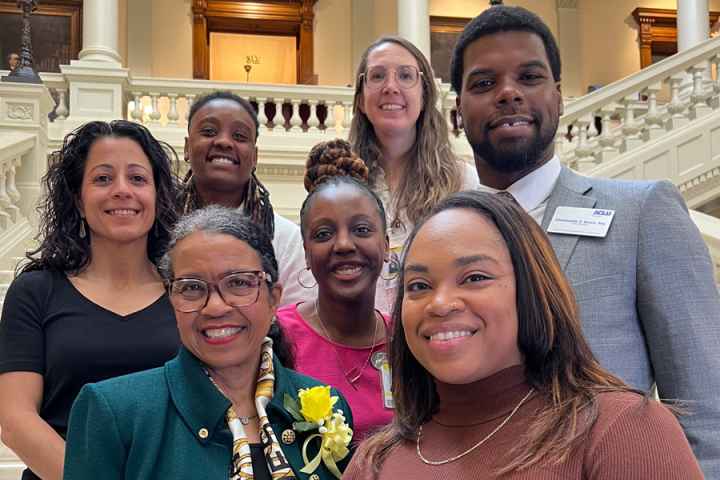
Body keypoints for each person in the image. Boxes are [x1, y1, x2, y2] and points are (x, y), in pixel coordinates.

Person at [450, 6, 720, 475]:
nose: (508, 93)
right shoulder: (444, 237)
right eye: (483, 83)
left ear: (559, 95)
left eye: (529, 77)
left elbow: (706, 409)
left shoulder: (641, 213)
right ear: (458, 110)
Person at [344, 190, 704, 479]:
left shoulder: (622, 431)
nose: (439, 303)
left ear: (530, 290)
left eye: (474, 278)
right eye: (419, 285)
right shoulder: (376, 462)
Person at [63, 206, 354, 479]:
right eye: (191, 288)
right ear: (172, 302)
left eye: (238, 283)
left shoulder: (326, 404)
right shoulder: (115, 412)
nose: (215, 307)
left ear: (274, 299)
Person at [0, 120, 181, 480]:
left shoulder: (188, 293)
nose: (122, 190)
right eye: (102, 179)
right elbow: (14, 418)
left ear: (158, 198)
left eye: (138, 179)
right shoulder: (36, 292)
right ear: (78, 201)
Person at [349, 36, 479, 313]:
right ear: (361, 99)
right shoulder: (342, 183)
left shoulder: (463, 183)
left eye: (406, 76)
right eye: (378, 76)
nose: (391, 87)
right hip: (358, 337)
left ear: (424, 95)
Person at [277, 139, 393, 442]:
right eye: (324, 234)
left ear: (386, 246)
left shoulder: (409, 342)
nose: (343, 245)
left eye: (362, 230)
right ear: (305, 251)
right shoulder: (275, 338)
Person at [179, 90, 308, 306]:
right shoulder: (158, 228)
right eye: (209, 131)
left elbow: (294, 322)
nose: (224, 142)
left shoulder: (286, 240)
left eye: (239, 136)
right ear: (186, 148)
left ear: (255, 157)